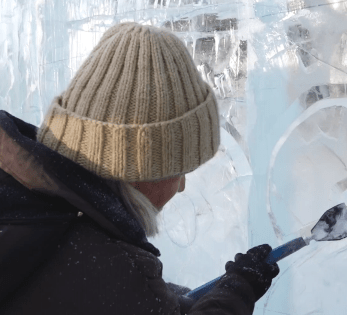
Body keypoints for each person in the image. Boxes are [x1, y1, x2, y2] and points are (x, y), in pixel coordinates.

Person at [0, 22, 279, 314]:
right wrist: (236, 293)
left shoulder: (28, 203)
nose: (182, 185)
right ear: (138, 170)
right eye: (179, 168)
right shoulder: (113, 272)